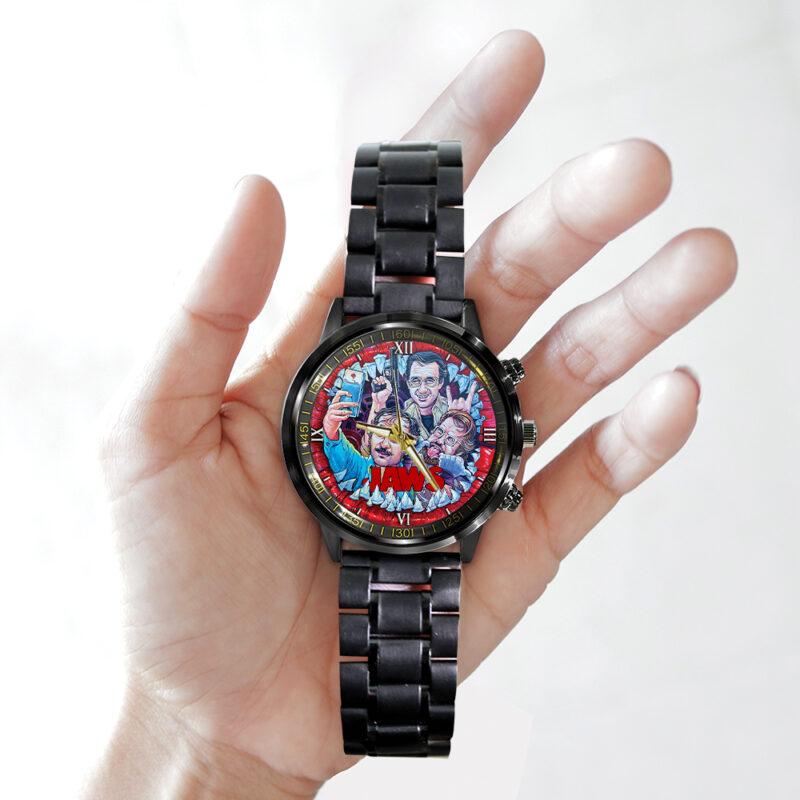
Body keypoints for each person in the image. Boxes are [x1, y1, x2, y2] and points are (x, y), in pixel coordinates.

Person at [81, 29, 737, 800]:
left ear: (500, 440)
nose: (421, 401)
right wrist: (207, 745)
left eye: (434, 393)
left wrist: (215, 755)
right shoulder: (351, 432)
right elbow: (350, 435)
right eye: (413, 390)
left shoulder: (453, 441)